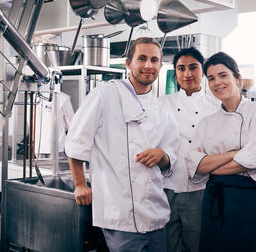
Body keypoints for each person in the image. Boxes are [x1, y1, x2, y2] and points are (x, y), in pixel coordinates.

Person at [64, 37, 179, 252]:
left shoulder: (161, 107)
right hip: (120, 212)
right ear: (129, 63)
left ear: (160, 66)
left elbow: (171, 154)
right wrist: (80, 183)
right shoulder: (105, 94)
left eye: (154, 60)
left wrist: (161, 154)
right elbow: (76, 141)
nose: (148, 65)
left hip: (155, 212)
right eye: (142, 59)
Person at [186, 52, 256, 252]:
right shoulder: (207, 122)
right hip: (216, 202)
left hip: (250, 201)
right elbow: (194, 164)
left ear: (237, 79)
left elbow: (251, 160)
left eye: (223, 75)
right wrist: (232, 154)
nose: (216, 82)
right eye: (211, 78)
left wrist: (212, 166)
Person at [158, 47, 218, 252]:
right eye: (181, 68)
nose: (187, 74)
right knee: (168, 245)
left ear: (203, 71)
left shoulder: (217, 106)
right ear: (175, 72)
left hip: (201, 188)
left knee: (198, 245)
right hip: (166, 187)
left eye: (193, 67)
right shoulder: (162, 103)